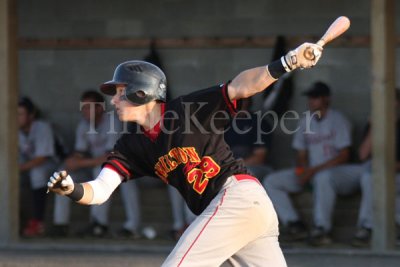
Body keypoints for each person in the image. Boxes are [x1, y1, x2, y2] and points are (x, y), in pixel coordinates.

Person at [48, 41, 323, 266]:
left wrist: (287, 62)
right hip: (232, 209)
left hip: (236, 197)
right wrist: (71, 189)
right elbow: (100, 190)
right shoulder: (130, 145)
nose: (114, 100)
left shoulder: (186, 110)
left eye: (121, 92)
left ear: (142, 93)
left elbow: (242, 86)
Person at [263, 81, 363, 246]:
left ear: (327, 99)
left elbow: (344, 156)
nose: (311, 100)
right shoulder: (305, 121)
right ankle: (294, 224)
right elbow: (301, 153)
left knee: (323, 178)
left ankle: (321, 228)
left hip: (336, 173)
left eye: (316, 97)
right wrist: (303, 170)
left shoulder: (338, 120)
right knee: (272, 181)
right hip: (312, 173)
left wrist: (312, 171)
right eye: (310, 97)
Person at [51, 91, 141, 238]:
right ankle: (60, 224)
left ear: (99, 108)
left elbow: (110, 157)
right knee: (63, 174)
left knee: (104, 172)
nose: (84, 111)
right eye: (83, 107)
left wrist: (81, 162)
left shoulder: (112, 121)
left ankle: (104, 224)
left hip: (122, 166)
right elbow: (79, 153)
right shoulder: (83, 125)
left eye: (88, 107)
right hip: (95, 165)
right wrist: (72, 162)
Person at [351, 90, 400, 247]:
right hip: (377, 170)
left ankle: (370, 227)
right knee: (367, 178)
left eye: (391, 102)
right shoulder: (377, 121)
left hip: (394, 173)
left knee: (375, 181)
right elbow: (363, 155)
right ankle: (367, 226)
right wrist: (376, 125)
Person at [18, 97, 57, 237]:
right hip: (28, 166)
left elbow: (42, 158)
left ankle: (38, 222)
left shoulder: (42, 127)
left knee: (37, 173)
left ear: (31, 115)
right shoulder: (16, 131)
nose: (17, 118)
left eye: (21, 114)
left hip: (55, 166)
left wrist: (17, 169)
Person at [224, 97, 273, 181]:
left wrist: (231, 168)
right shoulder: (224, 123)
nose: (237, 103)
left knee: (239, 176)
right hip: (229, 168)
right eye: (234, 100)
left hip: (256, 168)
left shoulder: (258, 122)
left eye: (241, 100)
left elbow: (259, 158)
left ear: (248, 101)